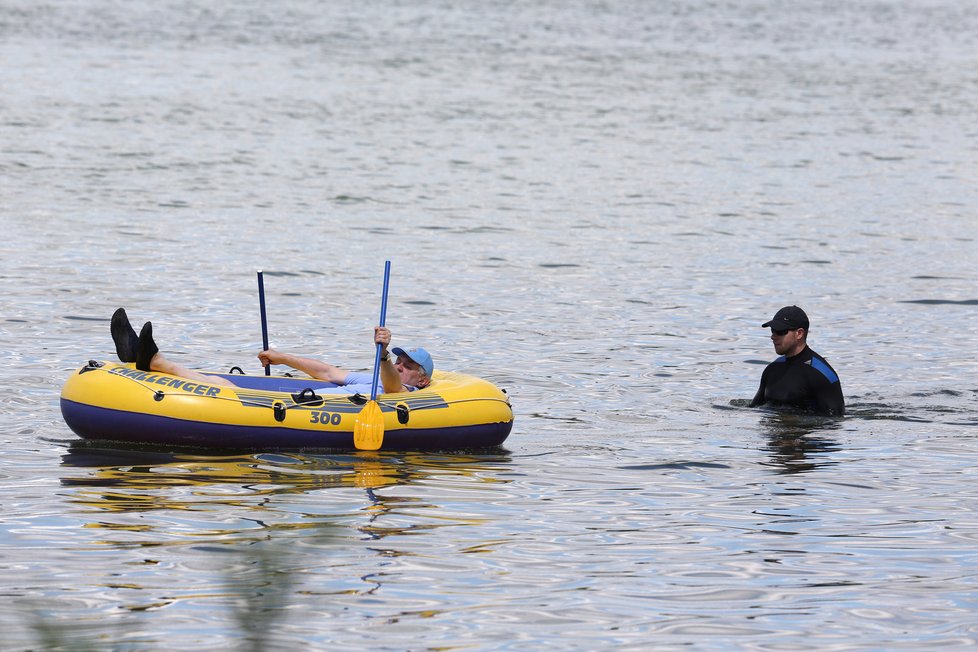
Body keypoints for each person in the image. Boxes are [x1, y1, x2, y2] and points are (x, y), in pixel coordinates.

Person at [109, 308, 434, 394]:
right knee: (215, 380)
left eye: (409, 365)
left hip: (310, 413)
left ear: (421, 380)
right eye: (401, 360)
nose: (402, 365)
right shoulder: (373, 379)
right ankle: (145, 358)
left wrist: (385, 353)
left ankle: (150, 359)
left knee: (224, 390)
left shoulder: (401, 389)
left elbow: (392, 386)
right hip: (307, 401)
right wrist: (281, 356)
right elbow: (327, 372)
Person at [749, 305, 845, 416]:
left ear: (799, 333)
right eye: (772, 330)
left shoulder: (822, 373)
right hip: (776, 431)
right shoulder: (771, 370)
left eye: (780, 331)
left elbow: (836, 421)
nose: (773, 336)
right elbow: (753, 409)